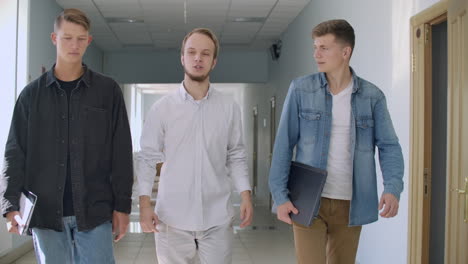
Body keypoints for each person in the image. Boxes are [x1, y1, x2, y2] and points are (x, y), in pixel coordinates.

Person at [0, 8, 133, 263]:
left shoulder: (108, 92)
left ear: (89, 41)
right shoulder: (31, 95)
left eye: (81, 38)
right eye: (67, 38)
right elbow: (14, 152)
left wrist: (122, 205)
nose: (74, 45)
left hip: (95, 208)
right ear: (54, 39)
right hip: (46, 211)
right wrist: (10, 206)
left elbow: (121, 152)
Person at [268, 19, 404, 264]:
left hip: (351, 202)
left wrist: (392, 187)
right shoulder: (301, 89)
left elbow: (389, 145)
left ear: (345, 52)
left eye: (323, 48)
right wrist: (280, 196)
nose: (316, 54)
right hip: (307, 200)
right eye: (315, 47)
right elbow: (283, 144)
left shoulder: (372, 96)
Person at [136, 28, 253, 264]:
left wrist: (245, 194)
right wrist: (144, 203)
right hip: (172, 217)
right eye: (191, 52)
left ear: (214, 61)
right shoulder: (163, 108)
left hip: (217, 216)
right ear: (182, 58)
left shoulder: (228, 107)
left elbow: (236, 154)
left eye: (205, 53)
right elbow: (148, 158)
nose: (198, 58)